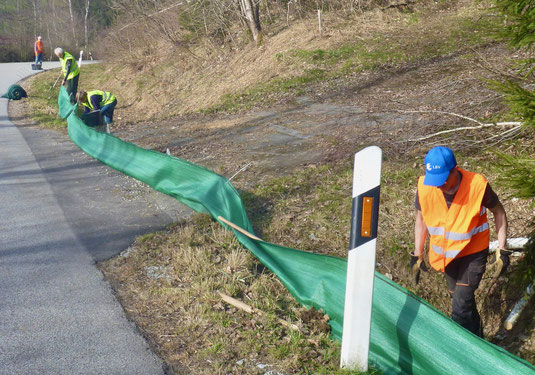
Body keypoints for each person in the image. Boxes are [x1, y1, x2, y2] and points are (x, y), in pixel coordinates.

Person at [412, 146, 509, 337]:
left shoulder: (477, 185)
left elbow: (499, 211)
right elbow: (421, 218)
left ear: (455, 168)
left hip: (473, 253)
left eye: (444, 179)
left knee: (460, 306)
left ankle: (464, 351)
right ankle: (480, 342)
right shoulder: (425, 186)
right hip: (448, 257)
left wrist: (502, 249)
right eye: (436, 180)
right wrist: (417, 253)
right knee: (462, 304)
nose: (440, 185)